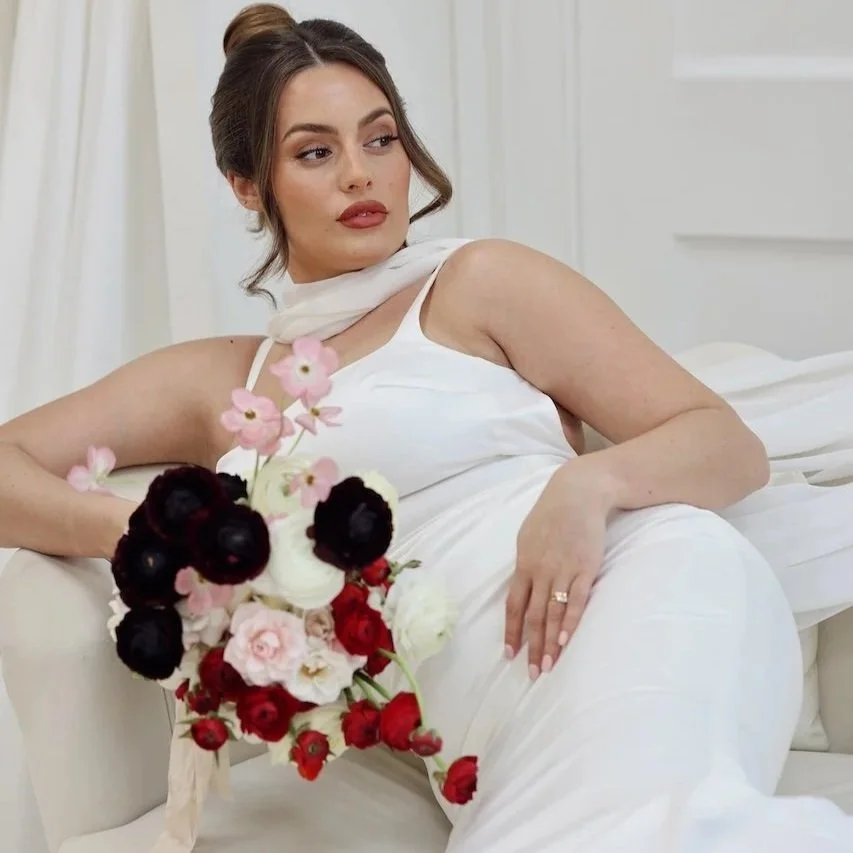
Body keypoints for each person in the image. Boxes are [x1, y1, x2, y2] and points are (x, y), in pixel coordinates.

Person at [2, 4, 853, 851]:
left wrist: (588, 482)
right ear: (247, 185)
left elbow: (723, 443)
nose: (360, 176)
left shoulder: (479, 281)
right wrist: (136, 529)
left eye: (380, 139)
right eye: (315, 152)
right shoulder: (224, 380)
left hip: (641, 592)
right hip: (478, 714)